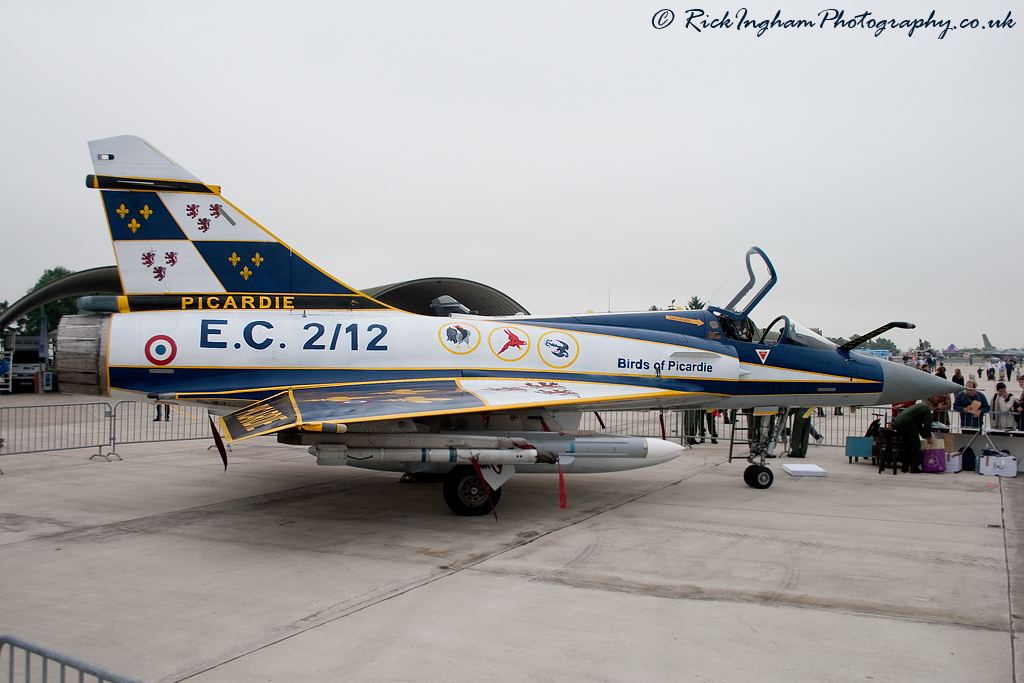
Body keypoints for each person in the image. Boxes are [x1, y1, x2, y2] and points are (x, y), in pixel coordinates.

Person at [892, 399, 936, 473]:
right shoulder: (927, 409)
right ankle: (914, 467)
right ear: (933, 406)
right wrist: (929, 437)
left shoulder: (920, 406)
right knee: (916, 445)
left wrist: (924, 435)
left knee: (908, 445)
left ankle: (905, 466)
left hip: (898, 421)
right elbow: (927, 424)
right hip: (907, 422)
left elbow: (918, 424)